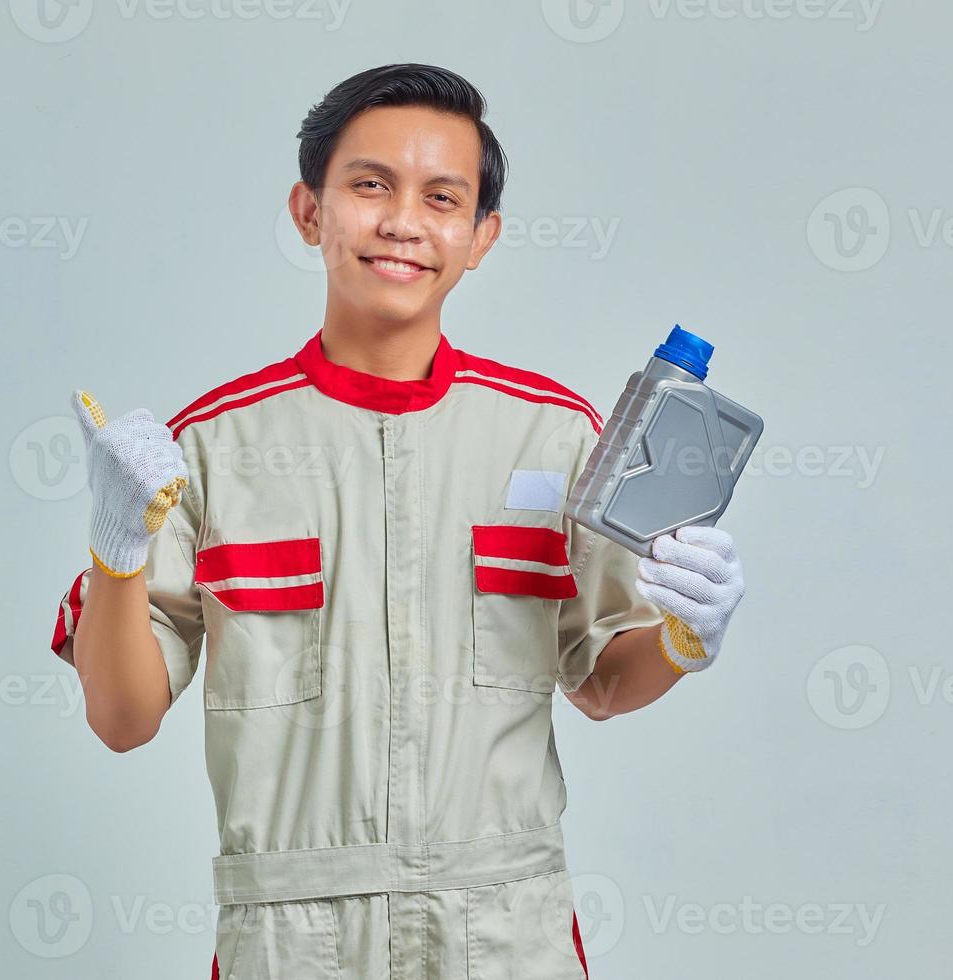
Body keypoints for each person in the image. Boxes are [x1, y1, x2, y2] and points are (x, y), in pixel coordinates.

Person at [49, 63, 746, 979]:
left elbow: (606, 684)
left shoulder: (555, 435)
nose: (404, 222)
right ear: (310, 210)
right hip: (293, 943)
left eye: (442, 197)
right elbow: (123, 717)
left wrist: (685, 636)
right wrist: (118, 553)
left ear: (481, 235)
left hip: (507, 936)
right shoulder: (214, 446)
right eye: (370, 185)